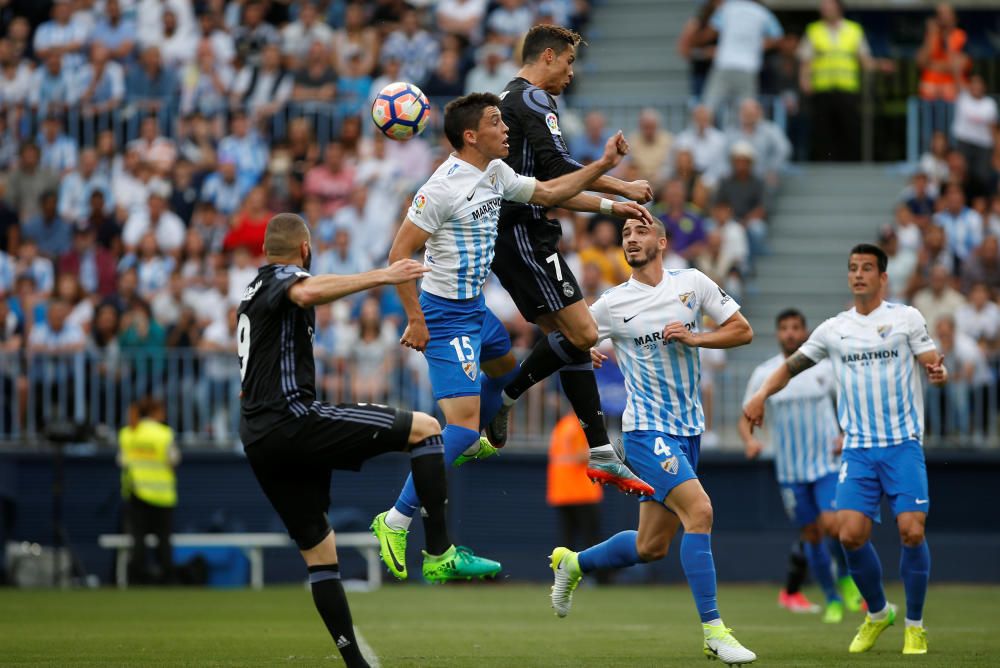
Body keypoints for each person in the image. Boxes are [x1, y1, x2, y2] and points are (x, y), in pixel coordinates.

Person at [370, 92, 651, 581]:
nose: (507, 130)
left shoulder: (496, 173)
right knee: (455, 429)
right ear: (472, 136)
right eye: (497, 122)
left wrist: (613, 200)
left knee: (507, 371)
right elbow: (398, 256)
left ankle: (485, 424)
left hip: (477, 311)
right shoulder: (439, 190)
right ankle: (394, 521)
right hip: (445, 317)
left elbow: (548, 194)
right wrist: (415, 319)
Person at [238, 214, 493, 668]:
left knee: (321, 555)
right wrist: (384, 275)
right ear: (304, 250)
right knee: (427, 428)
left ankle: (355, 663)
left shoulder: (250, 291)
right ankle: (437, 552)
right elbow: (307, 290)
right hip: (292, 419)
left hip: (258, 438)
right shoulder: (285, 278)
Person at [548, 217, 756, 665]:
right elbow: (569, 335)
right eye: (625, 234)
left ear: (661, 242)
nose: (631, 239)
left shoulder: (693, 284)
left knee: (651, 546)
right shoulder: (612, 304)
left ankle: (574, 564)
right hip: (645, 430)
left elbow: (742, 330)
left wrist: (696, 337)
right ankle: (714, 632)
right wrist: (583, 347)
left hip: (688, 429)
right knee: (700, 511)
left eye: (640, 232)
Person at [743, 243, 948, 656]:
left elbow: (930, 357)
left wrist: (937, 369)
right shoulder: (833, 329)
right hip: (857, 451)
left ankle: (915, 625)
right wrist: (762, 393)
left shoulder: (905, 318)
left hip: (902, 444)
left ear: (882, 277)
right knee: (849, 535)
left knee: (912, 530)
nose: (858, 274)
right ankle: (876, 613)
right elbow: (792, 365)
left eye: (867, 268)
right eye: (853, 268)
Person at [490, 25, 657, 496]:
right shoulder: (535, 102)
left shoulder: (506, 99)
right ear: (547, 56)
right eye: (568, 62)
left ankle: (601, 450)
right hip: (524, 236)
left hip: (514, 234)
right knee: (583, 334)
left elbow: (551, 187)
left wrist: (613, 205)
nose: (570, 73)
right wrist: (620, 182)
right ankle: (504, 397)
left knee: (572, 343)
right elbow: (563, 171)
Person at [739, 308, 863, 623]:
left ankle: (847, 581)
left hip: (826, 464)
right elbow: (745, 417)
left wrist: (846, 432)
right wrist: (750, 441)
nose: (790, 333)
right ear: (778, 333)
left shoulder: (823, 368)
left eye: (796, 328)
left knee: (834, 525)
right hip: (790, 471)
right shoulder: (765, 373)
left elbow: (849, 401)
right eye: (785, 328)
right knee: (811, 534)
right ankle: (832, 598)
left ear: (805, 332)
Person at [798, 0, 892, 162]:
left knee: (849, 129)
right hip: (822, 88)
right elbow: (806, 60)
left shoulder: (854, 30)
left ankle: (849, 165)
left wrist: (879, 65)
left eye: (829, 7)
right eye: (823, 7)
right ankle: (825, 166)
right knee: (823, 131)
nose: (825, 10)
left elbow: (864, 60)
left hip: (847, 88)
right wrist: (804, 80)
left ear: (839, 9)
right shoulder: (813, 30)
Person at [118, 397, 179, 585]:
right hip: (162, 496)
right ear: (156, 412)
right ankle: (166, 579)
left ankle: (136, 580)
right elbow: (173, 460)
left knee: (137, 541)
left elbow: (121, 461)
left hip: (136, 494)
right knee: (164, 541)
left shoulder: (128, 433)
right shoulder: (164, 434)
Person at [547, 412, 604, 579]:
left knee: (566, 542)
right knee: (592, 541)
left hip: (561, 491)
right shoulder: (581, 425)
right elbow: (583, 455)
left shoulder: (562, 425)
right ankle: (599, 579)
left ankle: (564, 578)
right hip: (582, 491)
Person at [701, 0, 783, 113]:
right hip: (749, 67)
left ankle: (702, 130)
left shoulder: (727, 8)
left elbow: (711, 32)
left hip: (725, 64)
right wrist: (757, 47)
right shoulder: (762, 12)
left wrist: (694, 45)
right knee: (746, 110)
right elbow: (777, 36)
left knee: (709, 106)